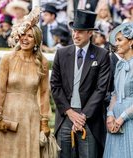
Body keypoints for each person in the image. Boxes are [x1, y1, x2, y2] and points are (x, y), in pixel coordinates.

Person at [0, 7, 51, 158]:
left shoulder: (42, 62)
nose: (25, 38)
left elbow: (44, 92)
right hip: (8, 115)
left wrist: (44, 120)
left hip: (30, 116)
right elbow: (0, 89)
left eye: (30, 36)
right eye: (23, 34)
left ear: (36, 40)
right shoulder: (8, 59)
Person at [50, 9, 110, 158]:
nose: (75, 35)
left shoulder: (101, 55)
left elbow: (101, 89)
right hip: (65, 117)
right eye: (74, 31)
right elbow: (55, 85)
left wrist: (83, 116)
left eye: (80, 31)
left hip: (89, 119)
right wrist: (69, 112)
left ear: (90, 33)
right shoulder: (62, 53)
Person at [103, 22, 133, 158]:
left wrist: (122, 118)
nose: (116, 44)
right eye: (116, 40)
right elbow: (115, 93)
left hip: (129, 119)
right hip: (115, 119)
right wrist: (110, 114)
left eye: (120, 40)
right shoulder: (120, 64)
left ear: (131, 42)